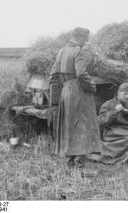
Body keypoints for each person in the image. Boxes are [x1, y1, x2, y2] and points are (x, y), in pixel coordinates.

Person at [49, 27, 101, 168]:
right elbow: (81, 74)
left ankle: (70, 161)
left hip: (65, 91)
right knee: (82, 125)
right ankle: (79, 161)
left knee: (69, 125)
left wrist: (55, 98)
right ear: (81, 38)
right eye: (85, 39)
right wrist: (92, 86)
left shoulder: (61, 52)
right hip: (78, 91)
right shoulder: (79, 51)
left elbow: (53, 76)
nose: (85, 42)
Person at [88, 83, 128, 165]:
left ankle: (127, 159)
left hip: (126, 130)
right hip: (111, 131)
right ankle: (121, 160)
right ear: (119, 93)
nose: (127, 96)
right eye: (125, 94)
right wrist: (114, 112)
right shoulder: (108, 104)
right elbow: (100, 122)